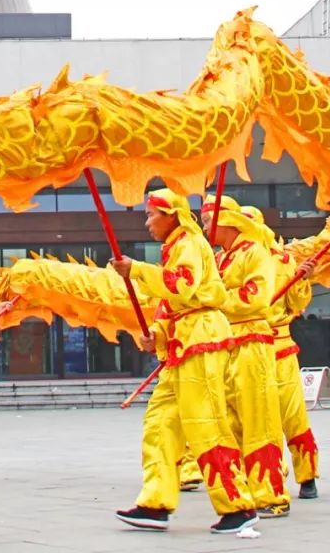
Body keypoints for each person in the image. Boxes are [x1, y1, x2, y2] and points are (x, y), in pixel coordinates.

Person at [110, 188, 259, 534]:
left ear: (172, 215)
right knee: (160, 422)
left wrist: (135, 270)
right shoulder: (175, 247)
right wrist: (157, 334)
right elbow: (172, 304)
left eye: (151, 215)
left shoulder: (190, 242)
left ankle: (238, 505)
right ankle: (155, 502)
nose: (147, 223)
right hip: (182, 344)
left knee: (205, 424)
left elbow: (182, 287)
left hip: (202, 341)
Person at [201, 195, 289, 519]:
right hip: (225, 344)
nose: (204, 225)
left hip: (252, 341)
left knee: (259, 419)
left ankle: (271, 493)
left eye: (208, 218)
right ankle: (245, 491)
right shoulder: (220, 259)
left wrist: (216, 297)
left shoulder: (254, 252)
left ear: (226, 220)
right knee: (232, 420)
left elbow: (256, 297)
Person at [244, 205, 320, 500]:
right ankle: (268, 477)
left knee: (293, 414)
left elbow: (296, 305)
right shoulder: (230, 262)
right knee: (258, 418)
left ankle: (307, 474)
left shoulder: (283, 261)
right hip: (248, 349)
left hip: (281, 347)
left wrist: (302, 279)